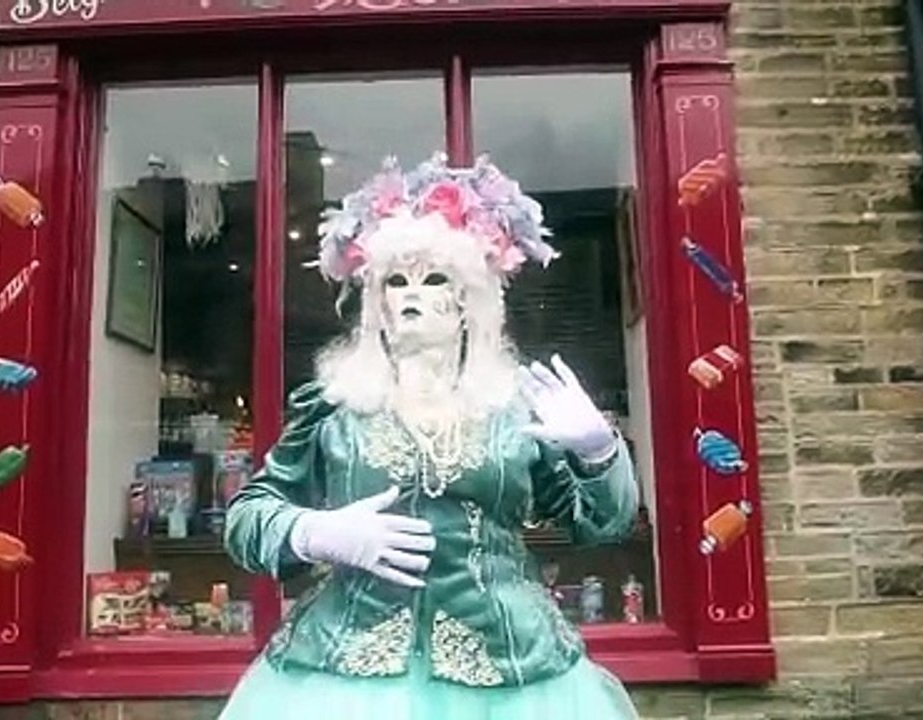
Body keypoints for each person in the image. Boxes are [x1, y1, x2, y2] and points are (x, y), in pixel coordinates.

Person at [219, 154, 640, 720]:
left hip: (511, 672)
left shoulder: (517, 408)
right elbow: (248, 516)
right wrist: (312, 531)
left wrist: (599, 452)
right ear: (379, 307)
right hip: (345, 674)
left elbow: (602, 524)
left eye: (434, 278)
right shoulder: (334, 407)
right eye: (396, 280)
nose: (411, 293)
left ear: (468, 302)